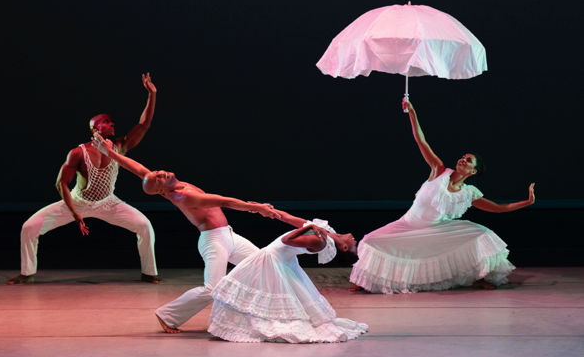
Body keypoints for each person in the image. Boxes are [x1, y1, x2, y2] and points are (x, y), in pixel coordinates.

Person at [91, 133, 280, 333]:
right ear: (160, 191)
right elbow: (224, 201)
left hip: (228, 235)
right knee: (212, 288)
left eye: (158, 172)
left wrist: (110, 152)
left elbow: (137, 169)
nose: (161, 173)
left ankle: (265, 312)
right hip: (214, 240)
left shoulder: (169, 186)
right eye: (158, 178)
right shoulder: (184, 196)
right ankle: (168, 315)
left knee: (264, 263)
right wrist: (257, 208)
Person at [349, 100, 536, 294]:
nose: (463, 159)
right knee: (371, 240)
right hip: (408, 224)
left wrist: (527, 202)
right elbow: (422, 141)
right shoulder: (439, 171)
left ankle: (481, 277)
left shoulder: (469, 193)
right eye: (463, 157)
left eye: (469, 160)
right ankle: (366, 281)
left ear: (473, 171)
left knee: (480, 233)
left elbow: (498, 208)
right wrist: (412, 113)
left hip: (436, 230)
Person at [7, 73, 162, 285]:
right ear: (95, 128)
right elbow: (60, 183)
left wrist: (152, 94)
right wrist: (75, 213)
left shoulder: (119, 147)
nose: (112, 124)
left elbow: (143, 125)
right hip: (78, 202)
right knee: (29, 227)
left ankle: (149, 273)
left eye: (112, 122)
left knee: (145, 225)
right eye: (106, 122)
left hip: (109, 203)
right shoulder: (78, 153)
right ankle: (27, 274)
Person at [208, 210, 367, 343]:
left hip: (273, 259)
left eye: (354, 247)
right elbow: (289, 219)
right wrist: (271, 212)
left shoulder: (320, 241)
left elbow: (286, 239)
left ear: (344, 248)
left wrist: (311, 226)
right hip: (279, 258)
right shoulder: (326, 232)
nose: (356, 241)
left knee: (266, 293)